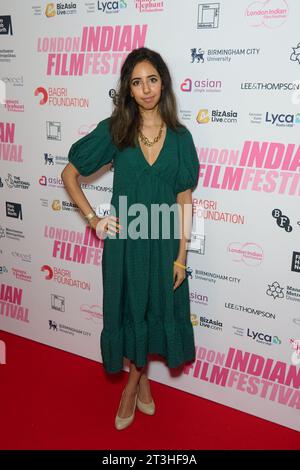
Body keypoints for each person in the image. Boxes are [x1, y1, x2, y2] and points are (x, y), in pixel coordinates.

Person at [61, 47, 200, 430]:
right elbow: (69, 175)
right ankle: (133, 386)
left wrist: (181, 257)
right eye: (137, 82)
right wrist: (94, 220)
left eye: (152, 79)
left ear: (163, 83)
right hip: (127, 249)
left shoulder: (181, 138)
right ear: (129, 89)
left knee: (157, 315)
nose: (146, 89)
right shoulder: (116, 131)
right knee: (132, 313)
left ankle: (136, 381)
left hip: (165, 247)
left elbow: (185, 199)